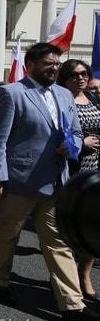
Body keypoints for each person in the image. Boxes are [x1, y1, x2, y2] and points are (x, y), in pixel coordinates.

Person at [0, 43, 99, 321]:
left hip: (55, 183)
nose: (54, 68)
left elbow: (74, 132)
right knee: (6, 235)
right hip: (19, 182)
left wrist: (70, 146)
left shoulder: (64, 94)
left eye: (57, 64)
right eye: (49, 63)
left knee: (58, 242)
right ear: (31, 63)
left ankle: (72, 303)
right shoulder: (12, 93)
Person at [56, 59, 100, 303]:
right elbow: (58, 136)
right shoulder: (61, 101)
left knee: (93, 225)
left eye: (84, 74)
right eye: (74, 75)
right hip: (72, 170)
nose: (81, 78)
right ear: (65, 78)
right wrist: (82, 145)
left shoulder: (93, 99)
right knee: (72, 226)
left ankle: (84, 274)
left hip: (95, 168)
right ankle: (69, 279)